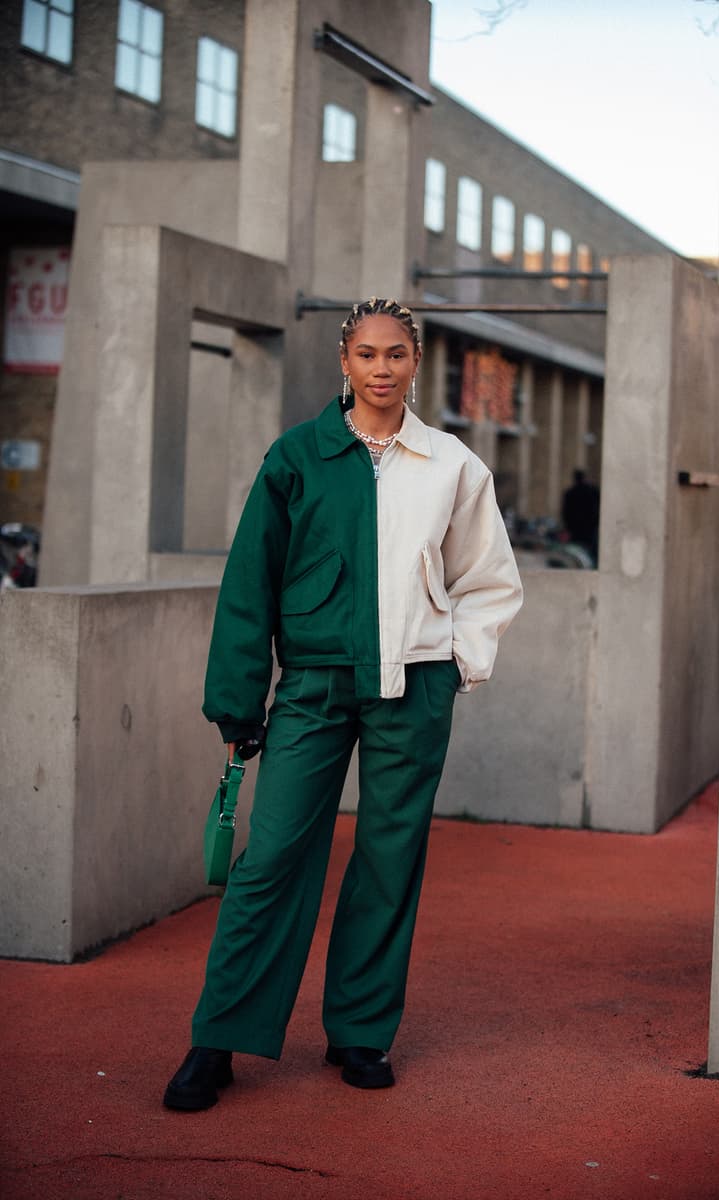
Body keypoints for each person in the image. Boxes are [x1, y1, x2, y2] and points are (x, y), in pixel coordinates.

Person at [163, 298, 523, 1111]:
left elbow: (490, 577)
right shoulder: (298, 457)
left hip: (415, 685)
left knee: (389, 861)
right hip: (316, 687)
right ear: (344, 362)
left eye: (397, 354)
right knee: (272, 857)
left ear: (416, 362)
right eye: (367, 354)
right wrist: (238, 700)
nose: (383, 369)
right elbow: (249, 582)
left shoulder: (451, 464)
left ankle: (360, 1031)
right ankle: (218, 1040)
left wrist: (459, 659)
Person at [561, 468, 600, 563]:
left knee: (577, 552)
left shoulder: (570, 493)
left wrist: (567, 527)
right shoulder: (593, 491)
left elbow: (566, 512)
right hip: (590, 528)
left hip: (576, 529)